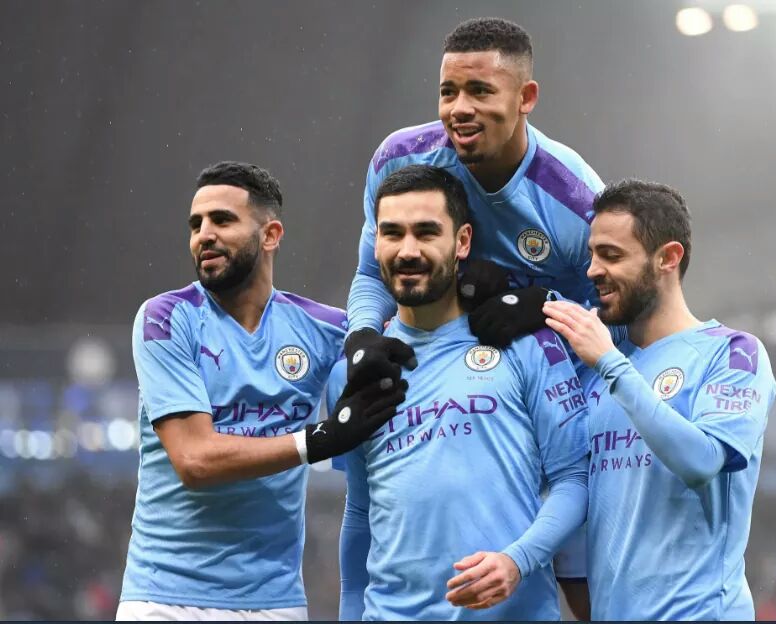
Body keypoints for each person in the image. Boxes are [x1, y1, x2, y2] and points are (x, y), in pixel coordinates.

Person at [343, 19, 605, 611]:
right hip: (450, 358)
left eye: (480, 91)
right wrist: (360, 335)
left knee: (583, 581)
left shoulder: (573, 199)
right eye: (448, 91)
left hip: (551, 377)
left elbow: (619, 313)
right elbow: (369, 272)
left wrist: (544, 305)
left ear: (526, 97)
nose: (459, 109)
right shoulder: (399, 159)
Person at [116, 161, 406, 621]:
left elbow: (410, 342)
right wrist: (320, 440)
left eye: (222, 220)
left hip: (275, 601)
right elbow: (194, 460)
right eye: (196, 224)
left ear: (270, 235)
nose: (204, 235)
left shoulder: (323, 329)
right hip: (165, 599)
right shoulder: (167, 318)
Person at [332, 164, 589, 621]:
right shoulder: (354, 371)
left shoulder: (527, 343)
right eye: (392, 233)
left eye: (426, 232)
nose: (407, 250)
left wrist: (518, 561)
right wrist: (349, 612)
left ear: (463, 241)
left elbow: (574, 480)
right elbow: (360, 508)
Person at [543, 179, 776, 620]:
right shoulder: (595, 366)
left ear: (668, 258)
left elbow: (703, 460)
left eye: (612, 255)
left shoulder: (730, 352)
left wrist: (611, 365)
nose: (593, 270)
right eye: (592, 255)